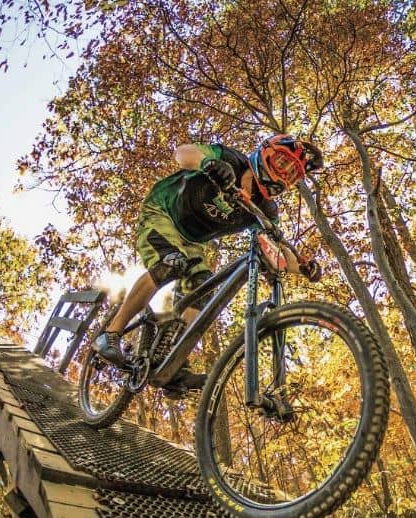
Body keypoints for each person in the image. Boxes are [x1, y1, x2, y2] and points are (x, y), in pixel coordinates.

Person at [92, 134, 323, 394]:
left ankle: (172, 364)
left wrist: (302, 268)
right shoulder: (231, 160)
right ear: (266, 153)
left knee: (203, 289)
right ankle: (109, 334)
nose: (284, 175)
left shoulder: (266, 209)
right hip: (162, 212)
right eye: (283, 163)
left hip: (191, 242)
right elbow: (183, 152)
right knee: (171, 263)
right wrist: (209, 164)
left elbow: (277, 250)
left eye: (293, 174)